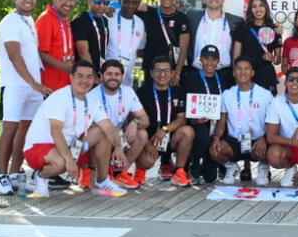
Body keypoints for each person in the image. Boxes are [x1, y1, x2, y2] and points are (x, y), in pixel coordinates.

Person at [22, 60, 128, 197]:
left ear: (95, 79)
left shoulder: (92, 101)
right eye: (80, 76)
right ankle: (40, 177)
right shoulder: (60, 97)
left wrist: (119, 146)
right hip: (39, 147)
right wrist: (69, 160)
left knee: (101, 132)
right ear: (71, 77)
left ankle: (103, 180)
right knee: (61, 163)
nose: (85, 80)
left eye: (89, 77)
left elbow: (108, 126)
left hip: (69, 146)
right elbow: (56, 131)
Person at [0, 0, 52, 195]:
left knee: (26, 130)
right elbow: (14, 56)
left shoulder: (28, 20)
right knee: (9, 129)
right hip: (15, 85)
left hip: (32, 87)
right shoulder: (9, 22)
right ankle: (1, 177)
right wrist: (34, 83)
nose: (28, 0)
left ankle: (15, 174)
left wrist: (37, 84)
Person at [86, 60, 154, 189]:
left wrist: (134, 122)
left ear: (122, 77)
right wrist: (116, 144)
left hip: (118, 138)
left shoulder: (128, 92)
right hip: (100, 141)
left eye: (117, 74)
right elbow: (88, 130)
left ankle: (119, 172)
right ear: (101, 76)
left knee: (141, 134)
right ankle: (94, 171)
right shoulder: (91, 96)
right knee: (100, 134)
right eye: (109, 74)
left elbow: (145, 119)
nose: (113, 77)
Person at [210, 56, 274, 185]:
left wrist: (265, 138)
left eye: (246, 69)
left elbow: (272, 123)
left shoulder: (265, 94)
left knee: (265, 150)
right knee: (215, 151)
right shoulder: (227, 95)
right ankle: (231, 167)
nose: (242, 72)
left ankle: (263, 166)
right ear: (234, 73)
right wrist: (216, 138)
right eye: (239, 69)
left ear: (252, 72)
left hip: (257, 140)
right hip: (235, 141)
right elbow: (221, 122)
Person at [136, 56, 195, 186]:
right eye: (158, 70)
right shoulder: (142, 93)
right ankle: (139, 172)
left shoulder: (178, 91)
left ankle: (178, 172)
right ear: (151, 73)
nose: (162, 74)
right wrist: (147, 144)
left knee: (188, 131)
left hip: (169, 138)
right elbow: (137, 124)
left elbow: (182, 119)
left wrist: (164, 130)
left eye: (166, 70)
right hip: (150, 140)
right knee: (147, 161)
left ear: (173, 73)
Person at [187, 0, 243, 87]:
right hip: (197, 75)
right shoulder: (192, 16)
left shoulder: (236, 22)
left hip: (225, 77)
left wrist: (275, 28)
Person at [183, 45, 225, 184]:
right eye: (206, 59)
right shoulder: (191, 79)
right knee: (202, 137)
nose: (210, 63)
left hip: (217, 124)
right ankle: (193, 166)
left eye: (213, 59)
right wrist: (194, 120)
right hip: (198, 124)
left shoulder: (223, 79)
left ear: (218, 61)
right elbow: (186, 109)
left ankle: (215, 165)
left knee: (210, 178)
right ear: (201, 59)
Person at [137, 0, 190, 86]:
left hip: (171, 72)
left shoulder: (182, 18)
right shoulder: (148, 12)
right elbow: (125, 9)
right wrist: (138, 5)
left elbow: (183, 49)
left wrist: (177, 74)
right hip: (151, 71)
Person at [232, 0, 282, 94]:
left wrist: (272, 58)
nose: (258, 9)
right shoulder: (242, 27)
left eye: (261, 5)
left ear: (266, 8)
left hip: (266, 76)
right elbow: (236, 58)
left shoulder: (274, 29)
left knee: (267, 108)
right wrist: (236, 77)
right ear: (250, 10)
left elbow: (278, 60)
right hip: (246, 75)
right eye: (254, 6)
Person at [36, 0, 77, 92]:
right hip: (49, 86)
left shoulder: (65, 20)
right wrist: (64, 67)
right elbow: (40, 53)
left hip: (64, 86)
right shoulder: (46, 19)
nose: (68, 3)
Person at [106, 0, 146, 87]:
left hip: (127, 81)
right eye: (127, 2)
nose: (130, 6)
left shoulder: (140, 23)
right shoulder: (108, 17)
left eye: (134, 2)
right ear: (120, 1)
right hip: (106, 77)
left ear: (139, 3)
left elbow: (140, 51)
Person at [71, 0, 111, 81]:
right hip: (84, 76)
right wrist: (92, 75)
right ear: (89, 0)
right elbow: (82, 51)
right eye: (98, 1)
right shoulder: (80, 20)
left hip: (100, 74)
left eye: (106, 2)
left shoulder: (104, 20)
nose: (102, 6)